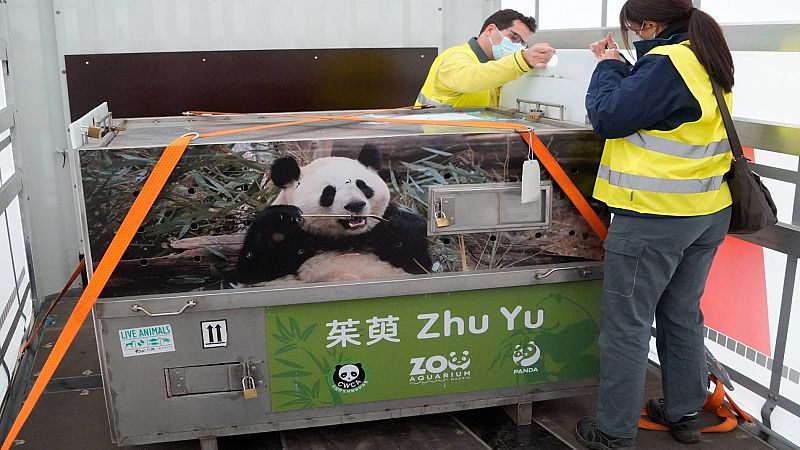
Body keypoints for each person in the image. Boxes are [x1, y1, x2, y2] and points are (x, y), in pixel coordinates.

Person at [575, 1, 735, 448]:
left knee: (627, 325)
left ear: (649, 24)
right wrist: (626, 68)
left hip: (654, 216)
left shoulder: (666, 62)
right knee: (682, 315)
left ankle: (613, 432)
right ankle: (685, 414)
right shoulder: (704, 55)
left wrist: (607, 67)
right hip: (706, 211)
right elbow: (662, 112)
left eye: (633, 30)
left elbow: (607, 117)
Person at [415, 9, 555, 108]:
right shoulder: (454, 56)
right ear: (490, 30)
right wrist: (522, 60)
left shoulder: (495, 67)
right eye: (514, 37)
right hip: (433, 142)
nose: (517, 47)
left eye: (522, 43)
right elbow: (469, 78)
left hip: (465, 142)